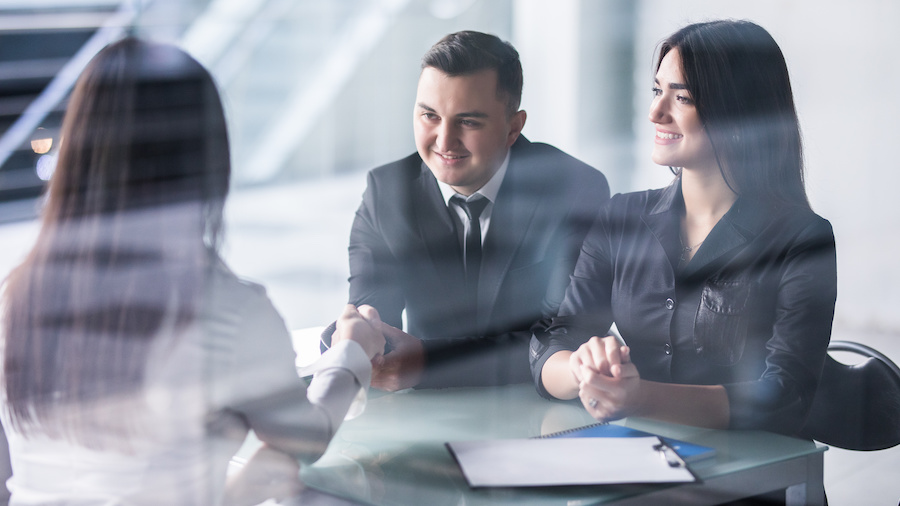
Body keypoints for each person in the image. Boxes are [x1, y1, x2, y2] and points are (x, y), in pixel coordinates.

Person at [0, 38, 385, 505]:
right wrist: (351, 353)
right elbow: (305, 436)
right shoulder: (227, 310)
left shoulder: (16, 297)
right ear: (206, 163)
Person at [530, 20, 837, 436]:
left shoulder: (803, 240)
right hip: (636, 464)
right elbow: (553, 343)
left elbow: (787, 396)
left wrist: (642, 398)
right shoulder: (621, 217)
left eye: (684, 98)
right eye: (657, 91)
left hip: (751, 479)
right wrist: (581, 369)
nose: (656, 112)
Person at [339, 30, 610, 390]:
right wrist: (357, 334)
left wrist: (428, 363)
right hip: (426, 412)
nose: (444, 141)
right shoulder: (385, 192)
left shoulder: (575, 190)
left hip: (538, 409)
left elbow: (565, 341)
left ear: (513, 127)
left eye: (468, 122)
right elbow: (371, 321)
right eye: (429, 116)